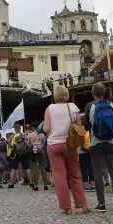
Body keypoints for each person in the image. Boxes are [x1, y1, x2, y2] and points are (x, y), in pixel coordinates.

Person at [43, 85, 89, 214]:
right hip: (70, 144)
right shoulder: (73, 107)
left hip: (54, 145)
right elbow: (79, 127)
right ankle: (82, 204)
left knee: (59, 176)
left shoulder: (49, 109)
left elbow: (46, 129)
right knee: (75, 175)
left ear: (55, 95)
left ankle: (66, 207)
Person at [83, 82, 113, 212]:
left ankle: (102, 204)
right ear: (105, 92)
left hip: (96, 143)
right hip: (111, 142)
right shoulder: (112, 105)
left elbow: (87, 127)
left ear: (93, 93)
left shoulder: (90, 106)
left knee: (98, 172)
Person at [8, 123, 32, 188]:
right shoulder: (24, 135)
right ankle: (31, 182)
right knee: (27, 168)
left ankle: (11, 184)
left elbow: (9, 146)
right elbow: (28, 145)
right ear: (20, 128)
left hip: (16, 154)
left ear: (14, 129)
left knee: (13, 169)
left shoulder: (12, 136)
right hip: (24, 154)